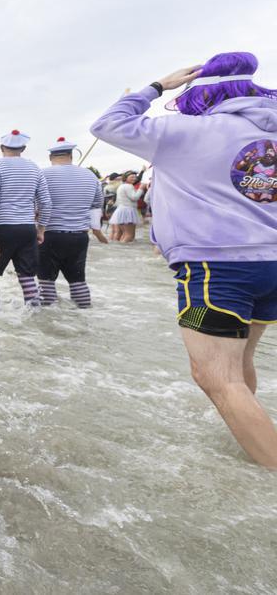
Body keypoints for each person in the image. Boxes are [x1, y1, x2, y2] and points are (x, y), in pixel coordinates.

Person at [90, 51, 277, 468]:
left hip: (217, 267)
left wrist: (157, 86)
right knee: (241, 365)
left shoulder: (185, 131)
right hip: (271, 263)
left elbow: (105, 125)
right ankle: (254, 446)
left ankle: (268, 473)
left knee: (216, 377)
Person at [0, 130, 52, 310]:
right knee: (26, 274)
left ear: (1, 147)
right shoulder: (34, 167)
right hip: (27, 228)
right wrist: (41, 229)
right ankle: (34, 310)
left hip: (2, 227)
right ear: (23, 148)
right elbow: (45, 202)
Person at [37, 138, 107, 308]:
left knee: (46, 280)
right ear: (71, 155)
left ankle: (50, 320)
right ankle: (84, 313)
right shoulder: (90, 176)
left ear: (50, 157)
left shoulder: (42, 175)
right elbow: (97, 204)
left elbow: (34, 205)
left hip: (48, 235)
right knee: (78, 280)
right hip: (79, 236)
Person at [108, 169, 145, 242]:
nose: (134, 178)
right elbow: (134, 197)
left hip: (122, 211)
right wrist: (141, 189)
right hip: (128, 211)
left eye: (135, 177)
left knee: (125, 234)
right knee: (129, 235)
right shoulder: (128, 186)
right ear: (126, 178)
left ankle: (119, 249)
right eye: (132, 177)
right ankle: (122, 252)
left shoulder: (122, 186)